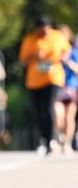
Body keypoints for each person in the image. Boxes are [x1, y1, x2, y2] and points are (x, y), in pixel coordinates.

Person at [19, 17, 70, 155]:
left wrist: (62, 57)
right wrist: (35, 56)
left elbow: (67, 50)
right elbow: (22, 61)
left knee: (48, 108)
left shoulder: (58, 36)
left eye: (45, 30)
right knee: (38, 111)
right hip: (34, 81)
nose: (43, 33)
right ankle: (44, 139)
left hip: (53, 78)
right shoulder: (30, 40)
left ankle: (51, 139)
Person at [55, 26, 78, 155]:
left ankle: (67, 143)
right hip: (57, 87)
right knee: (59, 117)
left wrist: (68, 62)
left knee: (69, 117)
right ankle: (59, 139)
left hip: (71, 87)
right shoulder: (53, 52)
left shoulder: (74, 52)